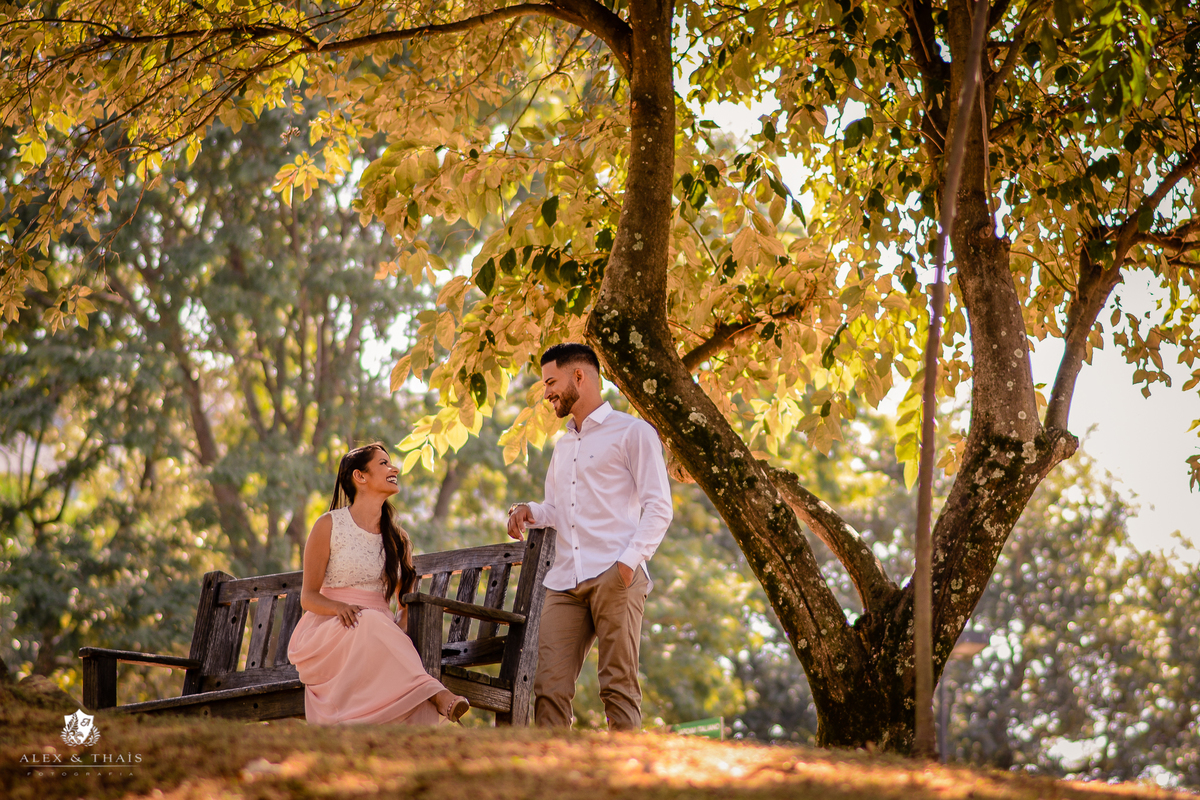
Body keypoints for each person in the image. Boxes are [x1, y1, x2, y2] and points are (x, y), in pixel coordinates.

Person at [507, 342, 673, 731]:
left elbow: (659, 507)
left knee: (618, 687)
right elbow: (558, 509)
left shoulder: (633, 432)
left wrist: (628, 563)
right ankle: (551, 765)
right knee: (548, 687)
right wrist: (530, 510)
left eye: (551, 382)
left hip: (616, 574)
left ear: (578, 376)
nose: (547, 393)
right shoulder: (564, 445)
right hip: (565, 581)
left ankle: (626, 765)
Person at [287, 443, 470, 725]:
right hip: (331, 632)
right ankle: (438, 695)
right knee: (369, 620)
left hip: (377, 632)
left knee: (374, 624)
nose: (394, 468)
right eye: (384, 464)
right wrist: (339, 607)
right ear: (360, 476)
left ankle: (414, 723)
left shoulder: (398, 539)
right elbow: (308, 597)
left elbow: (404, 605)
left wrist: (396, 633)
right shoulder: (328, 525)